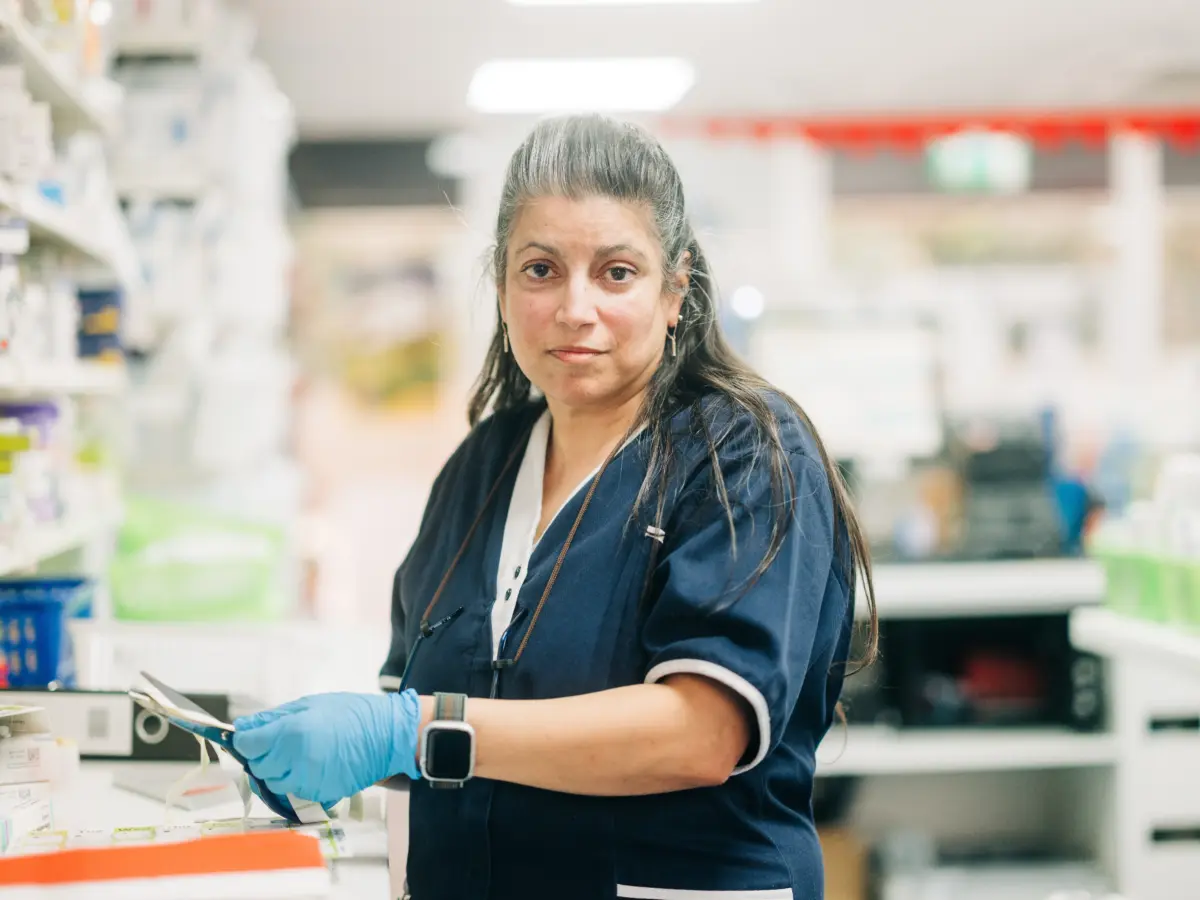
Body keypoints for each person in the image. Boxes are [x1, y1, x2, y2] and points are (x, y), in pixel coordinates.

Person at [232, 114, 879, 900]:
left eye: (616, 273)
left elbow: (702, 733)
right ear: (502, 289)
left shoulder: (743, 453)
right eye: (541, 270)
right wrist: (331, 755)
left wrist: (414, 731)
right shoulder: (483, 466)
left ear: (676, 290)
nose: (576, 307)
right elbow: (424, 714)